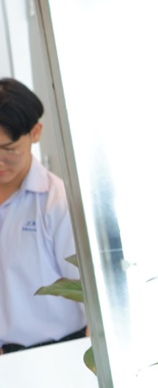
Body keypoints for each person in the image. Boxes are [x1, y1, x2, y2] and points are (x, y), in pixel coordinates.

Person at [0, 78, 86, 354]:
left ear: (35, 132)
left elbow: (86, 291)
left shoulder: (56, 201)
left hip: (57, 352)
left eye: (9, 149)